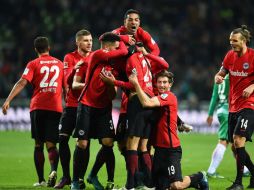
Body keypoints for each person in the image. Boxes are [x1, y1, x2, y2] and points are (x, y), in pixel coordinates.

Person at [128, 70, 209, 190]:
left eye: (165, 82)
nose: (162, 85)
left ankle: (200, 176)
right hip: (159, 151)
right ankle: (196, 184)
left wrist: (136, 84)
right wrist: (180, 123)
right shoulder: (159, 98)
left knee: (176, 185)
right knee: (158, 187)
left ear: (170, 84)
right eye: (159, 82)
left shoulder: (169, 96)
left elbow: (147, 103)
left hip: (171, 151)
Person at [2, 36, 64, 187]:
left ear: (36, 49)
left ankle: (41, 180)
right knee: (51, 144)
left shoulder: (33, 63)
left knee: (38, 145)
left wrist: (8, 100)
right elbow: (66, 87)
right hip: (55, 107)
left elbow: (22, 82)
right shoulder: (60, 64)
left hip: (38, 107)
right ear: (49, 48)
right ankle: (54, 170)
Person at [70, 32, 128, 190]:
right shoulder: (96, 55)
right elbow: (124, 51)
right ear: (108, 47)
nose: (118, 50)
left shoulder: (114, 67)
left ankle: (93, 175)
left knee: (108, 143)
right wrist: (124, 38)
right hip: (87, 104)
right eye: (115, 47)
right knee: (82, 143)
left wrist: (110, 83)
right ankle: (76, 180)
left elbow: (112, 95)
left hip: (103, 108)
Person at [214, 25, 254, 190]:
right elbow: (222, 71)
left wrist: (252, 87)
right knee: (234, 146)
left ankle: (238, 183)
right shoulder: (230, 55)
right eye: (230, 40)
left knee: (238, 140)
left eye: (235, 40)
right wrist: (218, 76)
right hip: (233, 106)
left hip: (249, 104)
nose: (232, 43)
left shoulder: (252, 56)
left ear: (243, 41)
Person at [54, 29, 92, 189]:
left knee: (84, 143)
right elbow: (69, 81)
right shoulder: (69, 58)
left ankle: (80, 178)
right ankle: (66, 177)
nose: (89, 43)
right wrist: (77, 69)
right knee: (62, 139)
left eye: (90, 40)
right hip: (71, 105)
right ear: (77, 42)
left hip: (87, 107)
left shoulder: (94, 57)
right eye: (85, 40)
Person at [206, 75, 250, 179]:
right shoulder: (234, 75)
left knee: (235, 144)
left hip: (221, 109)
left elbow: (214, 96)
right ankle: (211, 171)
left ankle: (245, 170)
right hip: (230, 110)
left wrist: (210, 113)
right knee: (224, 141)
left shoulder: (218, 76)